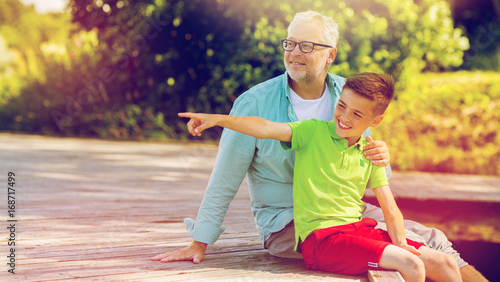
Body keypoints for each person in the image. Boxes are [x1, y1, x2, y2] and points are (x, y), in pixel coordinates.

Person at [151, 11, 486, 281]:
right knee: (406, 260)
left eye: (307, 46)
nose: (294, 53)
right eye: (290, 43)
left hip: (347, 215)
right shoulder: (255, 102)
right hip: (291, 226)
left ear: (331, 55)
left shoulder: (350, 96)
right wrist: (200, 242)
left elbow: (368, 162)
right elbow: (225, 179)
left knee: (435, 240)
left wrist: (383, 158)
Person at [176, 72, 461, 282]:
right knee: (411, 265)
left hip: (356, 228)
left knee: (445, 265)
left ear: (375, 122)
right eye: (341, 106)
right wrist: (219, 119)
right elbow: (264, 127)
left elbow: (390, 208)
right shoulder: (312, 132)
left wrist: (398, 242)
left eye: (356, 114)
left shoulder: (369, 152)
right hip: (320, 239)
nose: (344, 118)